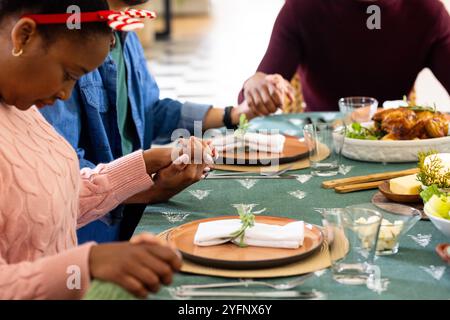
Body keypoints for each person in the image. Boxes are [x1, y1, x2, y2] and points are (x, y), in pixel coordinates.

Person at [0, 0, 215, 299]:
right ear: (24, 35)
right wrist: (87, 264)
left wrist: (145, 163)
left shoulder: (20, 105)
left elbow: (47, 202)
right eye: (68, 74)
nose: (65, 93)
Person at [40, 0, 293, 245]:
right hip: (91, 236)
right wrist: (151, 188)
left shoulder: (126, 34)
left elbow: (150, 112)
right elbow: (65, 174)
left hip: (135, 213)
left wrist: (234, 114)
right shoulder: (62, 44)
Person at [240, 0, 450, 112]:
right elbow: (249, 98)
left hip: (396, 143)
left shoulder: (428, 11)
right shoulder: (302, 7)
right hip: (322, 145)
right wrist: (257, 87)